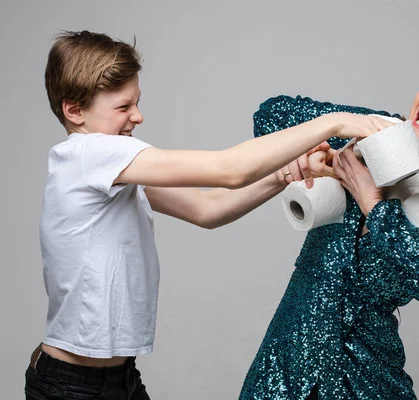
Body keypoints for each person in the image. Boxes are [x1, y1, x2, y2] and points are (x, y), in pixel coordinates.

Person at [24, 30, 394, 400]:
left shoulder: (114, 172)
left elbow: (208, 208)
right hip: (70, 386)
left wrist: (285, 173)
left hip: (119, 379)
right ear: (74, 111)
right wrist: (333, 122)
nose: (138, 116)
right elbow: (228, 169)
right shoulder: (88, 153)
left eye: (137, 102)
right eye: (123, 107)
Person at [240, 51, 419, 399]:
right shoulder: (375, 132)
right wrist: (334, 127)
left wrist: (373, 203)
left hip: (363, 372)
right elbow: (270, 116)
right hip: (286, 357)